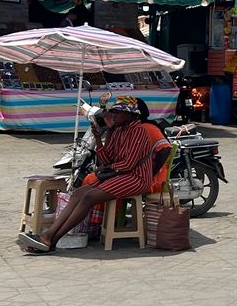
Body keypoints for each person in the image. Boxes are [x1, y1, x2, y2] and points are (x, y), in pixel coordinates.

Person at [16, 95, 156, 254]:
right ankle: (49, 238)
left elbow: (128, 164)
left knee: (89, 197)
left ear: (130, 115)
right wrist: (100, 136)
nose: (114, 115)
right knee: (78, 193)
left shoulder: (138, 131)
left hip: (136, 178)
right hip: (119, 174)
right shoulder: (117, 131)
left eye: (118, 112)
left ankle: (50, 238)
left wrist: (107, 168)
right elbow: (105, 159)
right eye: (113, 112)